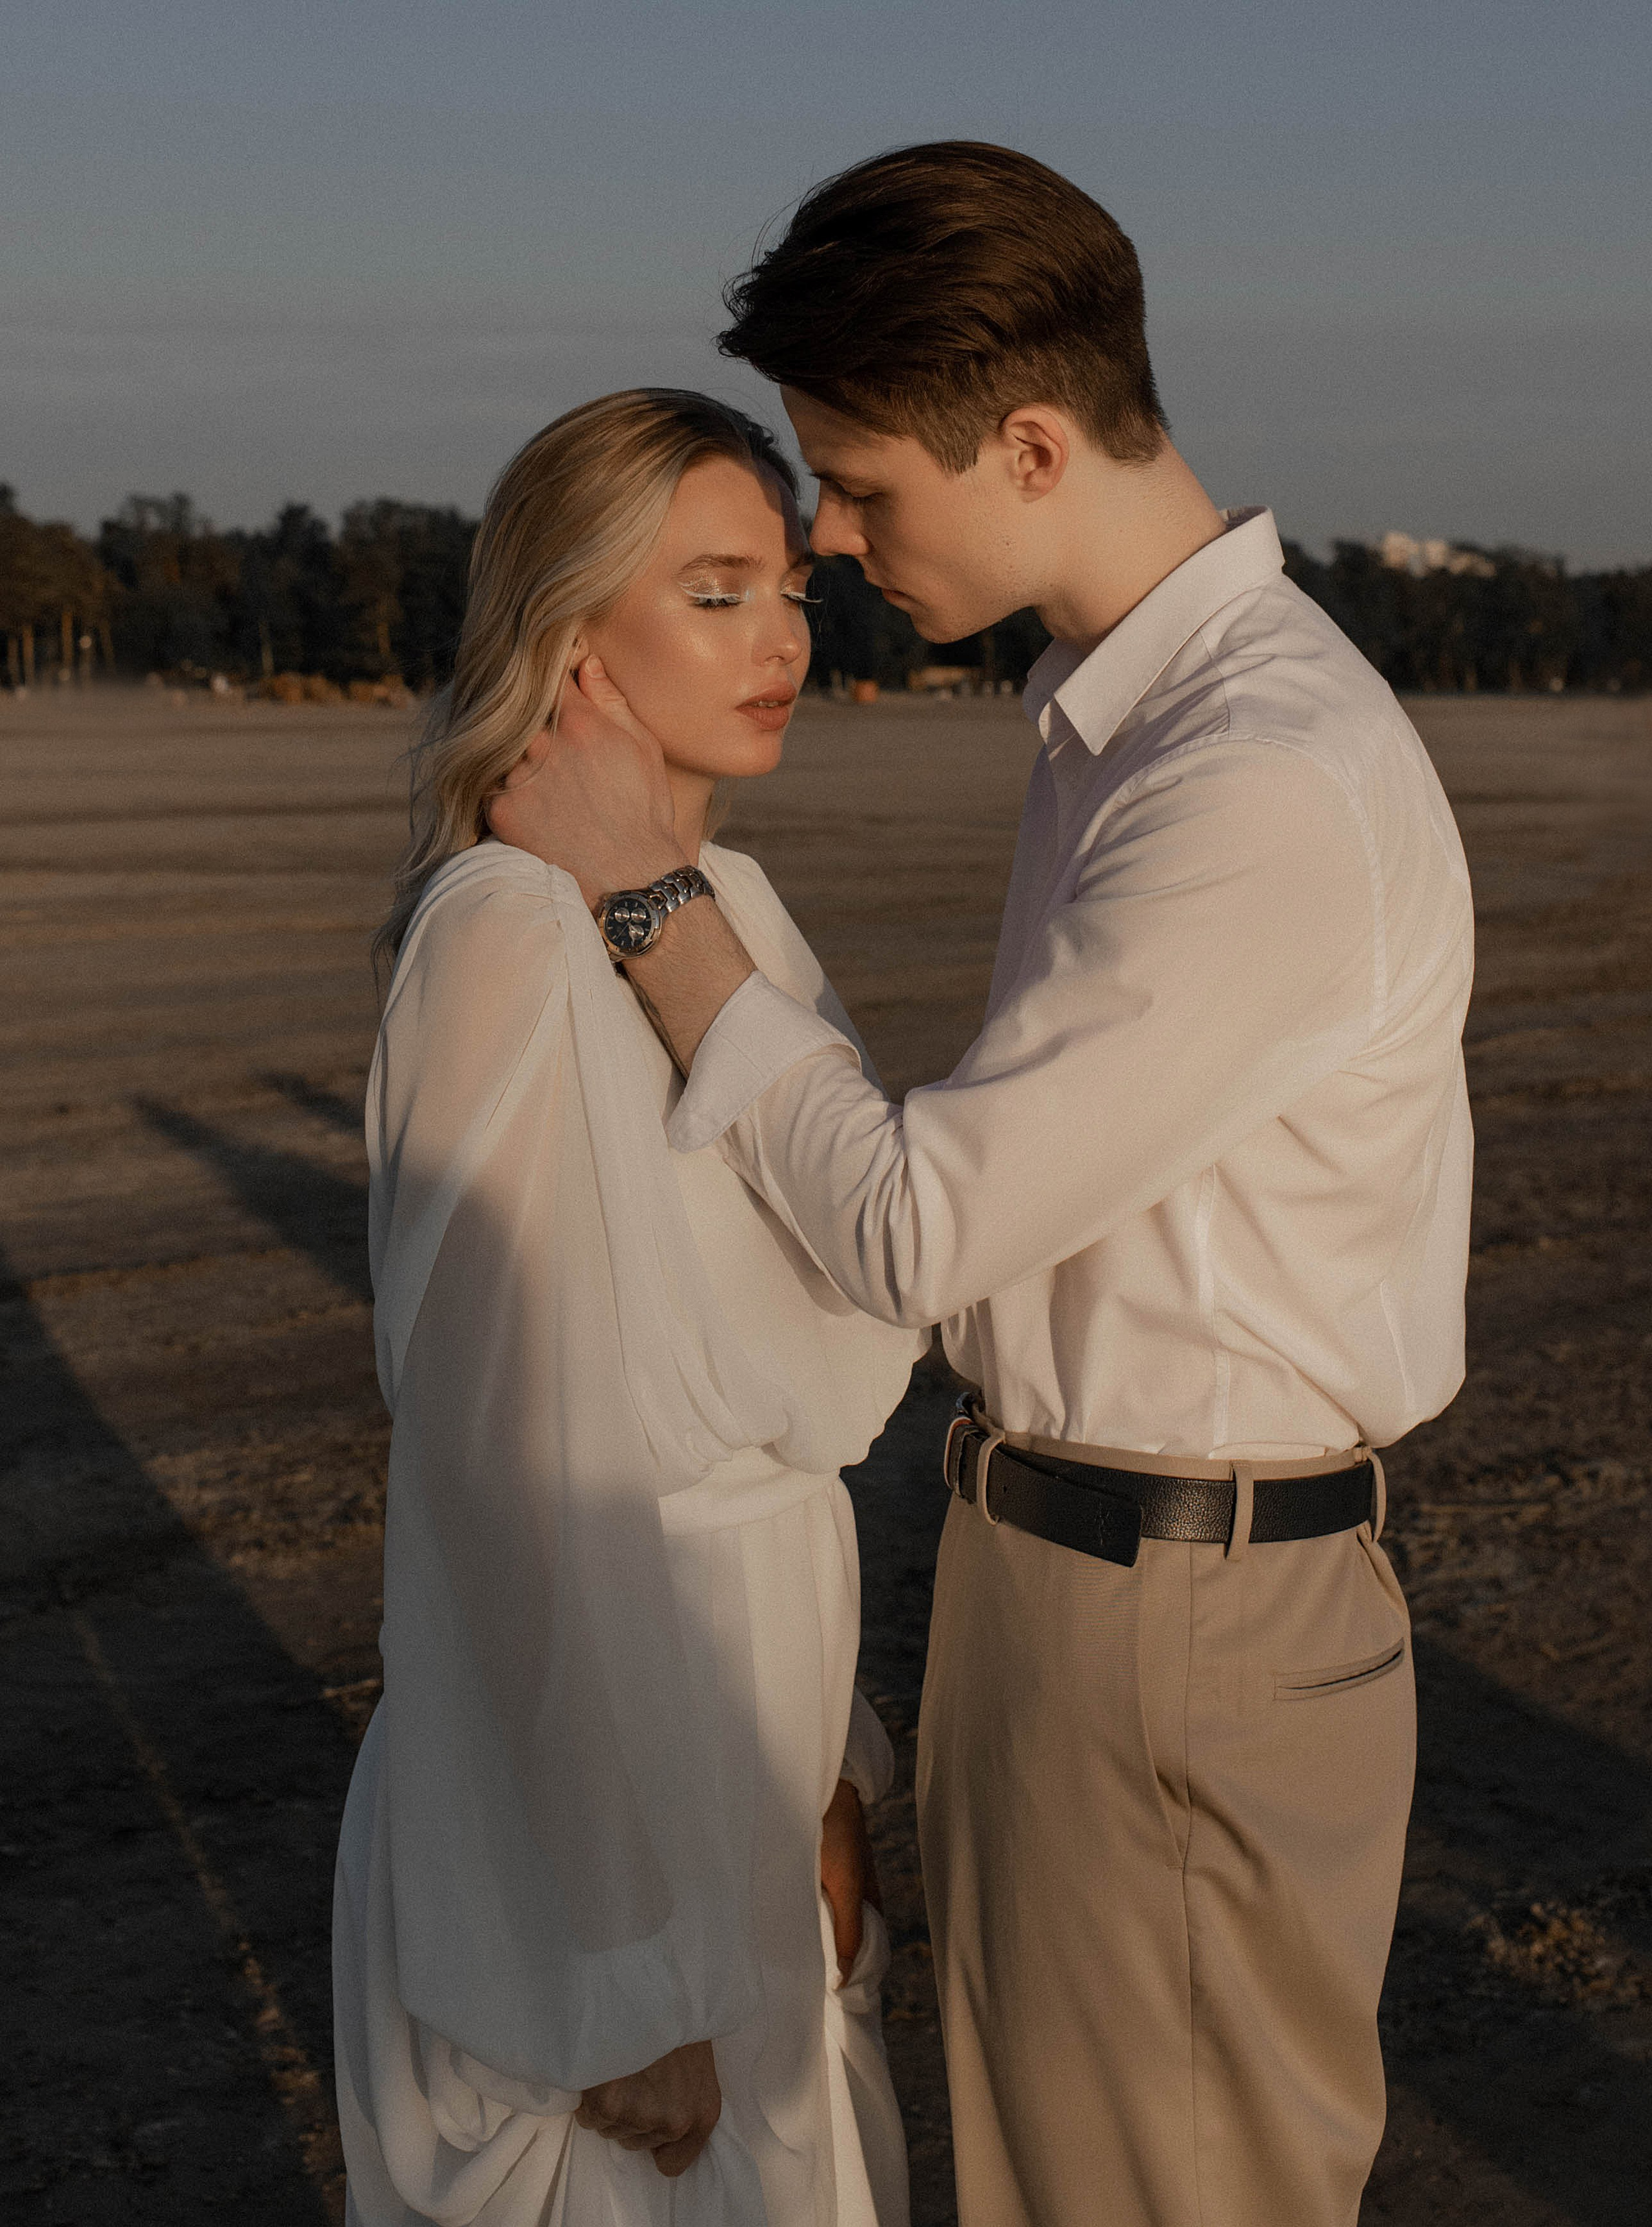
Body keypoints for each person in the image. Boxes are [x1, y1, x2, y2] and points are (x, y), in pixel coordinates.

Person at [485, 145, 1475, 2227]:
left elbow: (925, 1222)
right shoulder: (1115, 727)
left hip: (1183, 1612)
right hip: (1079, 1574)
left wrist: (653, 900)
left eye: (859, 489)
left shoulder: (1255, 772)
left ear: (1031, 442)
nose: (830, 543)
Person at [333, 389, 927, 2227]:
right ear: (575, 636)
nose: (784, 641)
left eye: (791, 596)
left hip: (742, 1763)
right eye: (718, 593)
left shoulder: (724, 906)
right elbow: (507, 1486)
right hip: (593, 1847)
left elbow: (819, 1324)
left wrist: (827, 1768)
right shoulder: (506, 932)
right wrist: (615, 1974)